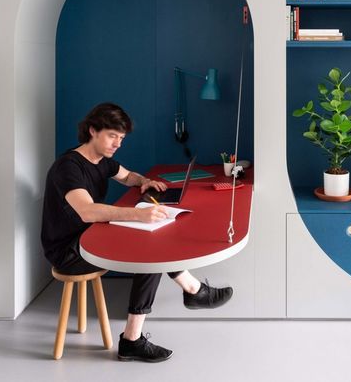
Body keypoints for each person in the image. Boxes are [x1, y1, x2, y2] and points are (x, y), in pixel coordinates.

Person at [41, 102, 233, 362]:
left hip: (91, 237)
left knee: (151, 242)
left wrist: (145, 182)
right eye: (112, 136)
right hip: (69, 250)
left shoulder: (102, 160)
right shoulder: (69, 167)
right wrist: (139, 214)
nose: (117, 144)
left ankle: (192, 292)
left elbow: (127, 175)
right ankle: (142, 332)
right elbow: (87, 211)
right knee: (148, 251)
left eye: (121, 138)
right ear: (92, 131)